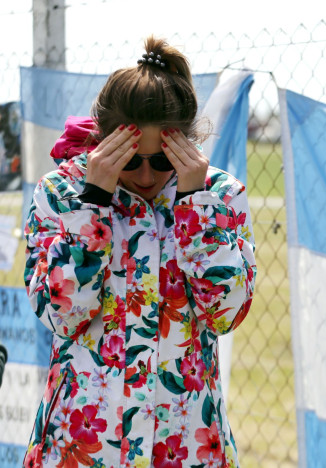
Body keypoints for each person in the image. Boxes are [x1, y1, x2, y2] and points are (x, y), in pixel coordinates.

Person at [23, 36, 256, 467]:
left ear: (185, 142)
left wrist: (195, 209)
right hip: (83, 443)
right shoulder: (61, 192)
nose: (146, 174)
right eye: (131, 160)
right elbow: (60, 315)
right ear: (105, 141)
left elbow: (226, 315)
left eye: (162, 160)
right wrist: (92, 204)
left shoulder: (220, 195)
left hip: (186, 441)